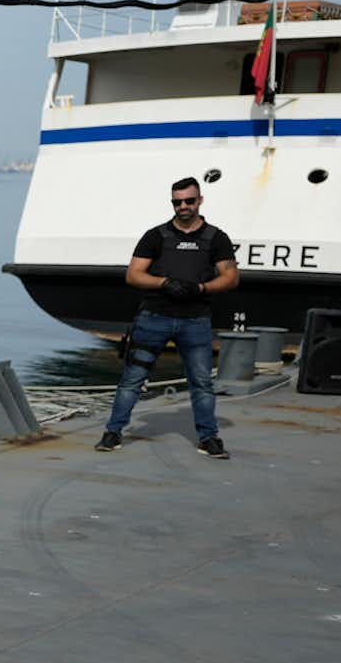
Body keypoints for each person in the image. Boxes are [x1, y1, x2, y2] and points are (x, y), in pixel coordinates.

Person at [97, 177, 236, 458]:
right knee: (132, 379)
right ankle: (113, 432)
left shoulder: (216, 238)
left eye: (189, 201)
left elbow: (231, 277)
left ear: (200, 201)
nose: (183, 206)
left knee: (202, 382)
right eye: (177, 202)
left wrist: (201, 288)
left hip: (196, 320)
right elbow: (133, 274)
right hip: (154, 318)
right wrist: (163, 283)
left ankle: (208, 438)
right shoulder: (156, 236)